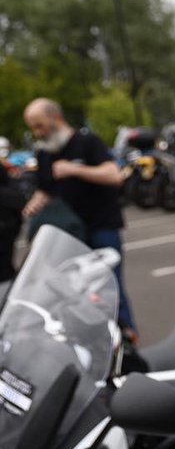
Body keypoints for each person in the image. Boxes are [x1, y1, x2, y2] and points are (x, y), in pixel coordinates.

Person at [21, 98, 138, 339]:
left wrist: (75, 169)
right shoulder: (44, 153)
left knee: (109, 289)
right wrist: (35, 203)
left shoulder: (87, 142)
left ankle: (127, 340)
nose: (37, 133)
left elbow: (113, 175)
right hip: (69, 236)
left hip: (100, 227)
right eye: (33, 127)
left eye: (40, 125)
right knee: (72, 295)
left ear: (56, 119)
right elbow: (46, 189)